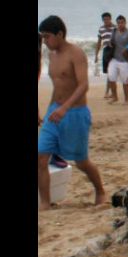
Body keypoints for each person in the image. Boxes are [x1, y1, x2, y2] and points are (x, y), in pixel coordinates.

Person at [38, 15, 105, 210]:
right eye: (42, 37)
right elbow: (57, 86)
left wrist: (64, 108)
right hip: (55, 111)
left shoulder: (76, 54)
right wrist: (50, 109)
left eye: (48, 36)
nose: (45, 41)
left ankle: (100, 191)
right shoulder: (51, 55)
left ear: (60, 34)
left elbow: (83, 85)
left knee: (81, 161)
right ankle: (45, 203)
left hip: (75, 113)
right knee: (41, 157)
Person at [106, 15, 128, 104]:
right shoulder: (114, 31)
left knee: (125, 81)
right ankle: (115, 97)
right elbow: (111, 42)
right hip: (115, 58)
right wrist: (109, 44)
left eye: (122, 22)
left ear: (125, 23)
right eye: (118, 23)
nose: (120, 24)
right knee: (111, 77)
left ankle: (126, 99)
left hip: (125, 60)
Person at [96, 12, 116, 99]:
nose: (106, 21)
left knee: (111, 72)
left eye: (107, 19)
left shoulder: (115, 28)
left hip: (115, 50)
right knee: (108, 72)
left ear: (110, 19)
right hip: (106, 50)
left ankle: (108, 92)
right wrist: (96, 55)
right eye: (104, 20)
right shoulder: (101, 29)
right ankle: (110, 92)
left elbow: (120, 39)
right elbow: (99, 42)